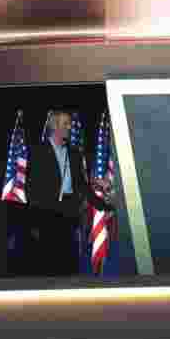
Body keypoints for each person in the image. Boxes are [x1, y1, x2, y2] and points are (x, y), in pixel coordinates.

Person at [25, 109, 115, 276]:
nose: (69, 127)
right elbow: (30, 188)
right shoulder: (38, 151)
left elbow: (82, 185)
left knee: (68, 262)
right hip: (46, 214)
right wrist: (34, 217)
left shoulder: (74, 154)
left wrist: (104, 206)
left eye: (70, 123)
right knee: (48, 263)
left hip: (69, 212)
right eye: (65, 124)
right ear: (54, 126)